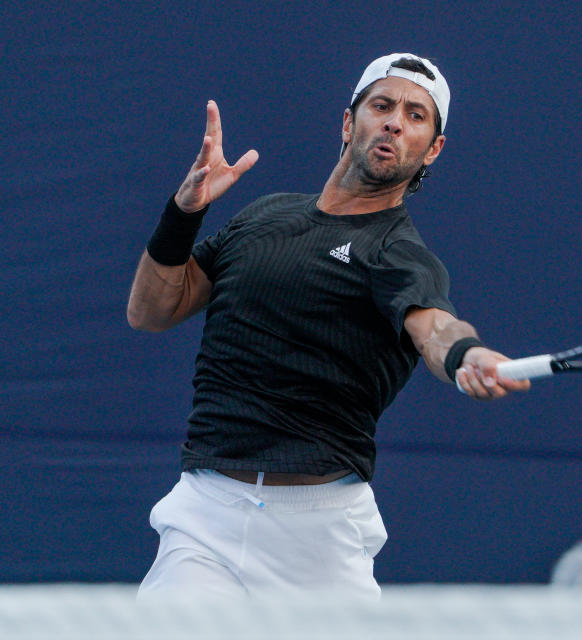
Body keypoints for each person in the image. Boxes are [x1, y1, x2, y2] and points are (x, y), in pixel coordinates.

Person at [127, 53, 529, 600]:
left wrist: (466, 355)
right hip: (205, 516)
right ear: (348, 122)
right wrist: (183, 212)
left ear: (433, 148)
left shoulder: (401, 256)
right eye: (382, 106)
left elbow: (434, 327)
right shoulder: (263, 217)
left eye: (416, 116)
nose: (394, 122)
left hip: (318, 535)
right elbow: (151, 311)